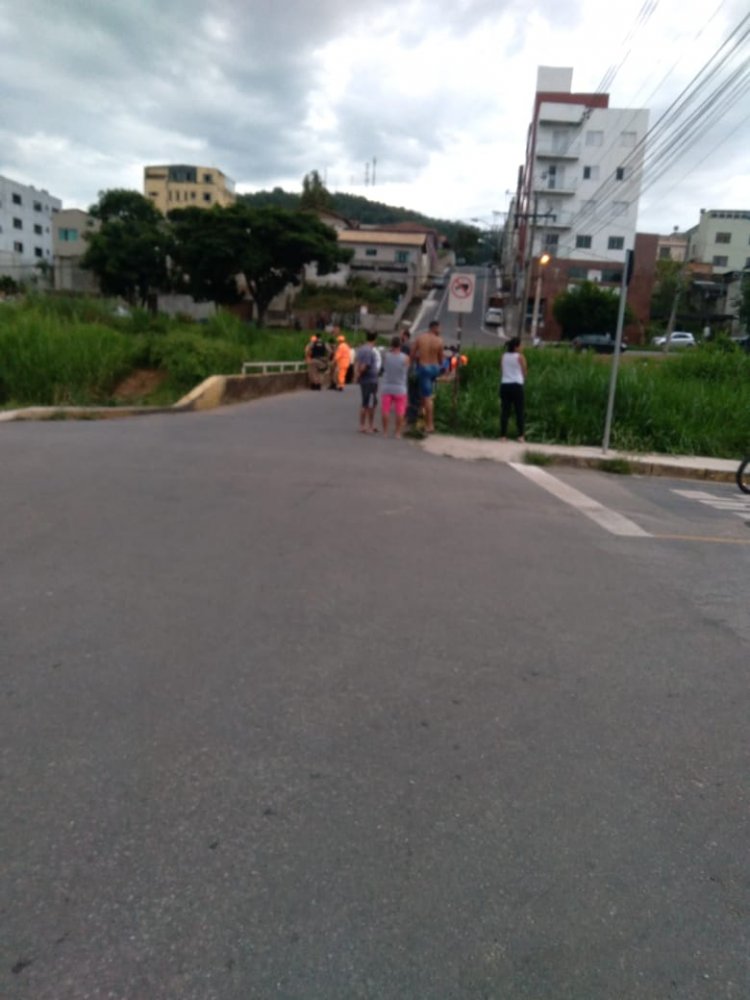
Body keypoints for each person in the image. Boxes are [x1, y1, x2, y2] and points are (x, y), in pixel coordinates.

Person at [410, 319, 444, 433]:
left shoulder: (420, 338)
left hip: (424, 368)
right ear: (434, 328)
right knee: (427, 395)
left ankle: (430, 425)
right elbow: (441, 360)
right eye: (439, 328)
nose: (440, 330)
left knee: (426, 397)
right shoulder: (439, 341)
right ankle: (423, 417)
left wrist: (414, 362)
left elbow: (412, 354)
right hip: (434, 368)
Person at [380, 335, 410, 438]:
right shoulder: (405, 358)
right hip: (400, 388)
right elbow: (408, 368)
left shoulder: (386, 356)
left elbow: (383, 363)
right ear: (400, 345)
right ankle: (397, 432)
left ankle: (385, 432)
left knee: (385, 410)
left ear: (391, 345)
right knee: (400, 411)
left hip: (387, 387)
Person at [500, 336, 527, 442]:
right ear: (516, 347)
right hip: (517, 385)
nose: (522, 347)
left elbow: (502, 370)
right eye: (521, 345)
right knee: (519, 411)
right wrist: (523, 379)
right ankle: (520, 436)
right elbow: (524, 371)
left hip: (505, 384)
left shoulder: (504, 356)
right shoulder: (520, 357)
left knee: (505, 411)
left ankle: (503, 435)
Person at [354, 331, 381, 433]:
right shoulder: (369, 351)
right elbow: (364, 366)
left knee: (367, 402)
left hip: (366, 380)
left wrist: (357, 374)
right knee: (370, 403)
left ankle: (364, 425)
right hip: (370, 380)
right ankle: (368, 425)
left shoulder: (361, 349)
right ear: (375, 339)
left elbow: (357, 362)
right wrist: (358, 374)